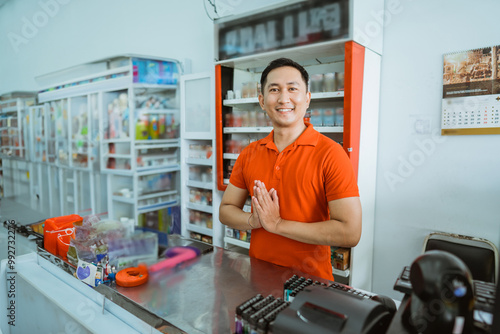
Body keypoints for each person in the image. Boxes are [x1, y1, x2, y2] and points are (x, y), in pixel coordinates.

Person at [219, 58, 361, 281]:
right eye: (274, 89)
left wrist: (278, 225)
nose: (284, 98)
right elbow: (226, 209)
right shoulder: (249, 153)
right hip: (259, 277)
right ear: (262, 101)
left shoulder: (331, 153)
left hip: (310, 285)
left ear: (307, 99)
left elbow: (349, 232)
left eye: (292, 89)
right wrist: (253, 221)